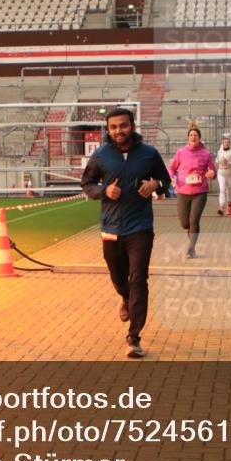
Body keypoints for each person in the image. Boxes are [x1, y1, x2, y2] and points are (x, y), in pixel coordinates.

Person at [81, 108, 172, 358]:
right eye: (113, 127)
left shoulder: (149, 154)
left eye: (123, 125)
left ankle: (134, 337)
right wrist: (103, 192)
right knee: (119, 279)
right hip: (110, 228)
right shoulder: (101, 156)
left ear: (132, 125)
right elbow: (86, 184)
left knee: (138, 279)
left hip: (140, 227)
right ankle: (124, 297)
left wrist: (155, 184)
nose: (118, 131)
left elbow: (166, 180)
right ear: (108, 130)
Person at [168, 127, 218, 258]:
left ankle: (191, 248)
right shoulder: (181, 152)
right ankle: (191, 243)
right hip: (183, 191)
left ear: (199, 138)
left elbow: (213, 171)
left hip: (200, 192)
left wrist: (212, 174)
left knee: (194, 220)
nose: (193, 137)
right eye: (191, 135)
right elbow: (172, 168)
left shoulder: (205, 154)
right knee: (185, 223)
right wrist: (171, 177)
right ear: (188, 138)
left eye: (195, 135)